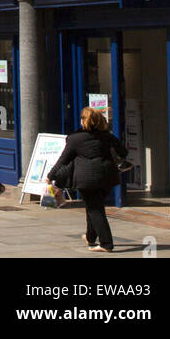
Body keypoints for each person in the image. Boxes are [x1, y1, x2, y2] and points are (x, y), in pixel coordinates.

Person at [49, 107, 129, 252]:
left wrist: (50, 176)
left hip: (87, 179)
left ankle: (106, 243)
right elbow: (124, 152)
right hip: (107, 177)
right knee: (93, 206)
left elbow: (63, 160)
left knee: (95, 209)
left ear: (84, 121)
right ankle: (90, 237)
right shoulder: (107, 136)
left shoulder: (75, 139)